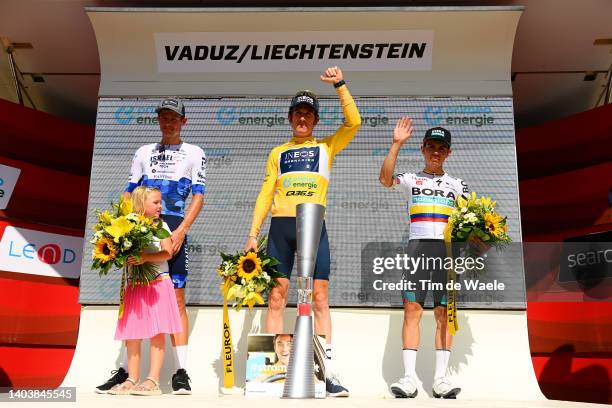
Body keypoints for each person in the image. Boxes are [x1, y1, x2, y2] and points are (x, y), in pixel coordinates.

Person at [243, 66, 361, 397]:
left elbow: (354, 123)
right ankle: (269, 374)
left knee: (319, 298)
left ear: (316, 120)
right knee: (276, 297)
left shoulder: (327, 147)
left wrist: (340, 85)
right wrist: (253, 233)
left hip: (313, 226)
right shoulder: (277, 153)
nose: (303, 119)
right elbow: (266, 193)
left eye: (308, 114)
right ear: (290, 117)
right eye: (298, 113)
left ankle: (327, 373)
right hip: (281, 227)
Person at [96, 97, 205, 395]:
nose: (167, 122)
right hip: (138, 230)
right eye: (163, 117)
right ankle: (127, 371)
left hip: (173, 226)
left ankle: (180, 372)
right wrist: (119, 230)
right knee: (133, 297)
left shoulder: (194, 152)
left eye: (173, 118)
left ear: (184, 122)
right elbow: (129, 192)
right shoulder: (143, 151)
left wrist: (182, 230)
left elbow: (198, 195)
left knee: (175, 297)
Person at [379, 118, 468, 399]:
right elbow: (385, 179)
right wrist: (396, 144)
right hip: (417, 250)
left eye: (442, 148)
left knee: (443, 314)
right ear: (422, 148)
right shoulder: (410, 178)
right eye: (431, 146)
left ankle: (440, 379)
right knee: (412, 310)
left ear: (449, 153)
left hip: (446, 253)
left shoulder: (458, 184)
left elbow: (470, 221)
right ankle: (408, 379)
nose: (436, 152)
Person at [107, 186, 182, 396]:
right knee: (133, 333)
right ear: (141, 204)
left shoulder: (162, 226)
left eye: (160, 202)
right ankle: (132, 378)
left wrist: (146, 258)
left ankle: (153, 380)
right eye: (156, 203)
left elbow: (167, 252)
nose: (160, 206)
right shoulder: (128, 226)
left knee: (157, 333)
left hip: (158, 283)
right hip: (136, 285)